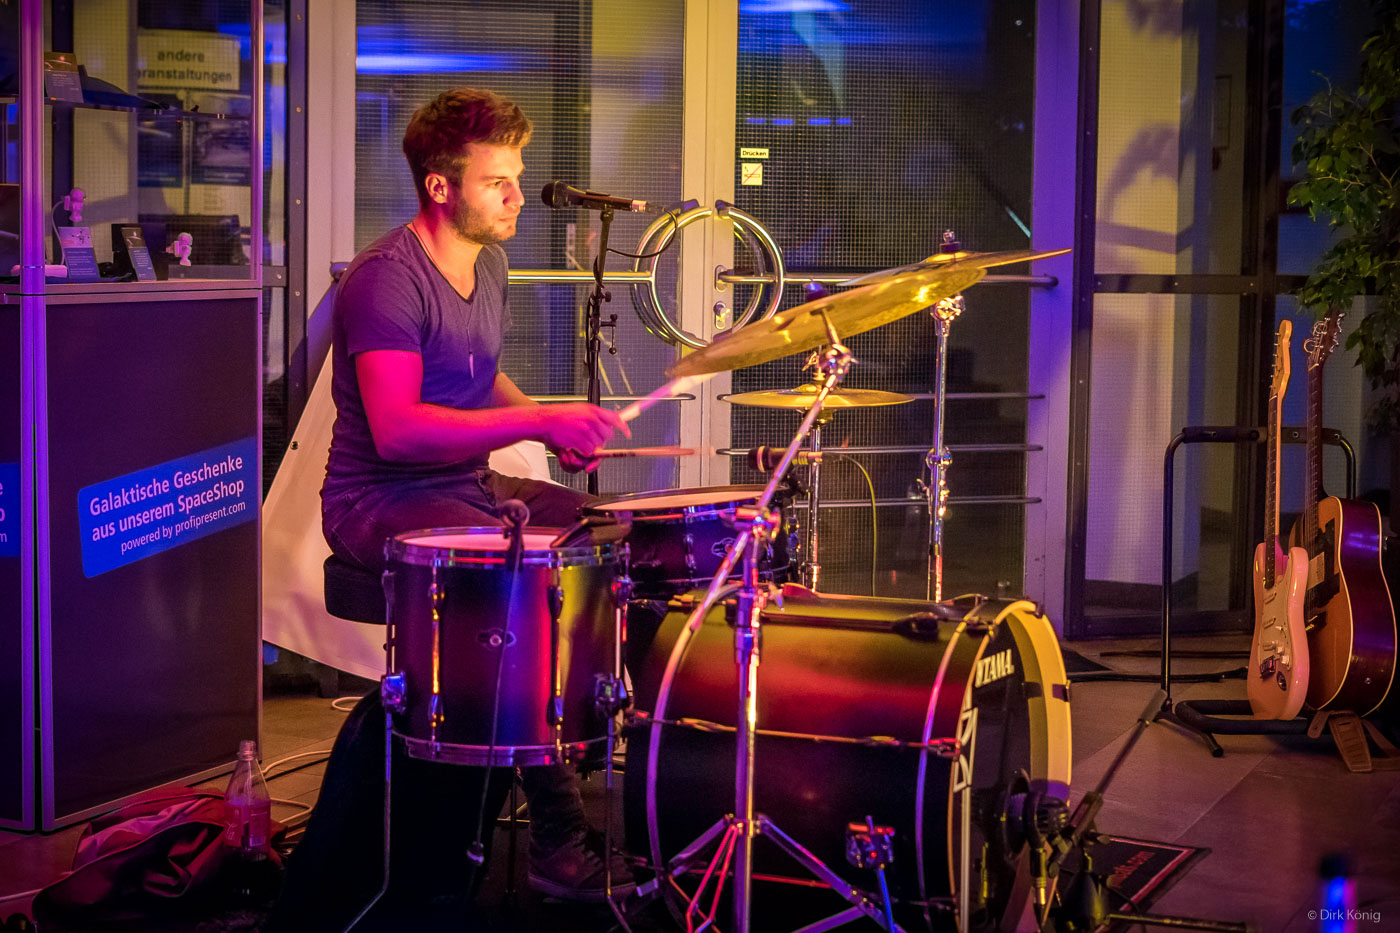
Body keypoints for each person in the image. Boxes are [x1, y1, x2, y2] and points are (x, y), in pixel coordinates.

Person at [271, 88, 632, 931]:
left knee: (608, 534)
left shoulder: (489, 266)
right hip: (376, 499)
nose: (518, 196)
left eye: (517, 177)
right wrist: (540, 422)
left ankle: (620, 755)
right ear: (441, 187)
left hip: (462, 485)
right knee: (519, 575)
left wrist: (544, 420)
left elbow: (477, 374)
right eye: (498, 180)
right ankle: (556, 836)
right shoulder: (385, 280)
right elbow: (397, 431)